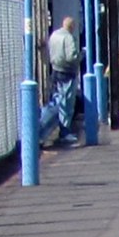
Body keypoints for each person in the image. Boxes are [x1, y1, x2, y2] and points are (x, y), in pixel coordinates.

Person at [41, 16, 81, 144]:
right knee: (67, 104)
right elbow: (71, 57)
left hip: (55, 71)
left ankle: (42, 127)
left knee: (55, 101)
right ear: (72, 26)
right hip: (67, 73)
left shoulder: (54, 35)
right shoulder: (68, 38)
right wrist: (80, 56)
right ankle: (64, 132)